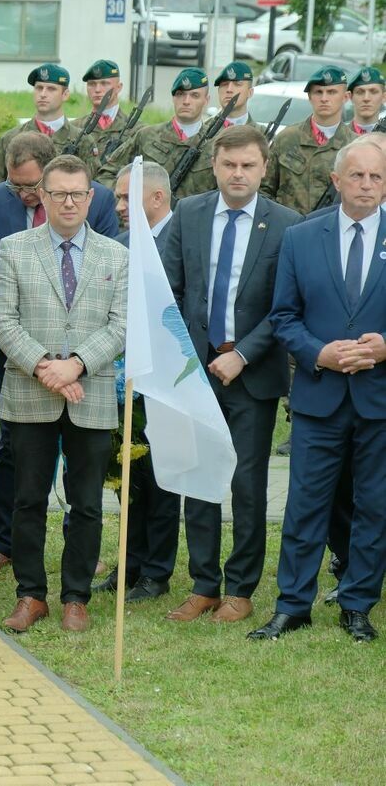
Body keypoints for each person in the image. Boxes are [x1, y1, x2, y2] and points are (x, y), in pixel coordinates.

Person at [160, 124, 305, 624]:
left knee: (247, 482)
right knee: (198, 477)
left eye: (248, 165)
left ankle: (240, 588)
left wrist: (241, 354)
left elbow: (286, 305)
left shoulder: (288, 225)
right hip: (194, 372)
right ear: (215, 166)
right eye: (229, 164)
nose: (237, 173)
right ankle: (203, 584)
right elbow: (170, 290)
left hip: (254, 373)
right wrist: (189, 356)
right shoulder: (189, 214)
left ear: (265, 168)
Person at [251, 138, 386, 643]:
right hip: (318, 394)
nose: (367, 185)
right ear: (336, 180)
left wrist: (384, 347)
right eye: (357, 176)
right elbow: (283, 316)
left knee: (374, 505)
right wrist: (319, 353)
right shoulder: (303, 238)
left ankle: (357, 605)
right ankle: (292, 605)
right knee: (306, 502)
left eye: (376, 177)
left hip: (378, 398)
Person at [0, 132, 119, 576]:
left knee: (84, 485)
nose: (26, 195)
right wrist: (41, 363)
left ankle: (79, 562)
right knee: (17, 467)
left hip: (86, 374)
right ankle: (3, 545)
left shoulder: (101, 206)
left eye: (32, 186)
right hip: (23, 363)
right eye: (20, 187)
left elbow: (108, 294)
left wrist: (74, 364)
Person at [0, 154, 128, 633]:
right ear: (41, 197)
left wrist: (78, 364)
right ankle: (31, 595)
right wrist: (46, 367)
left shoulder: (117, 255)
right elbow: (4, 321)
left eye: (78, 194)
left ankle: (75, 597)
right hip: (31, 392)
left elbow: (122, 324)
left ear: (91, 198)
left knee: (86, 501)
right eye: (59, 193)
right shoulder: (14, 249)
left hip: (91, 393)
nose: (68, 202)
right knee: (27, 498)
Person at [93, 161, 180, 603]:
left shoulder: (183, 240)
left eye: (128, 198)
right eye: (119, 197)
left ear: (158, 198)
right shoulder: (123, 245)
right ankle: (129, 564)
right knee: (128, 474)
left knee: (160, 480)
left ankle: (157, 572)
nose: (120, 207)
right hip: (125, 379)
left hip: (168, 377)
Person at [98, 69, 218, 201]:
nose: (186, 101)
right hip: (148, 219)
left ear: (206, 100)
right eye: (180, 94)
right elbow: (106, 174)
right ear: (173, 98)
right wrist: (130, 200)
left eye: (195, 95)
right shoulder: (147, 136)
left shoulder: (216, 145)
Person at [262, 66, 354, 217]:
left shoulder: (355, 146)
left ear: (346, 97)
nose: (324, 98)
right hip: (287, 230)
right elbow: (264, 188)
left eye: (331, 92)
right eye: (318, 92)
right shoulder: (286, 139)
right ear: (310, 97)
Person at [0, 64, 78, 193]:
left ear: (65, 94)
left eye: (51, 89)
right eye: (39, 88)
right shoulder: (12, 138)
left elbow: (94, 185)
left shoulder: (81, 139)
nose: (43, 94)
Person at [69, 60, 127, 177]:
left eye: (104, 83)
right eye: (92, 84)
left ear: (118, 87)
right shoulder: (74, 128)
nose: (97, 89)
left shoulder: (136, 129)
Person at [215, 62, 256, 127]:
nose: (229, 89)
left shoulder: (262, 134)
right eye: (224, 84)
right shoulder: (201, 133)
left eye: (237, 84)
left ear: (250, 92)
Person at [349, 67, 385, 135]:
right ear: (351, 97)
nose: (366, 98)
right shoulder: (336, 137)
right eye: (360, 92)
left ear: (384, 97)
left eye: (373, 92)